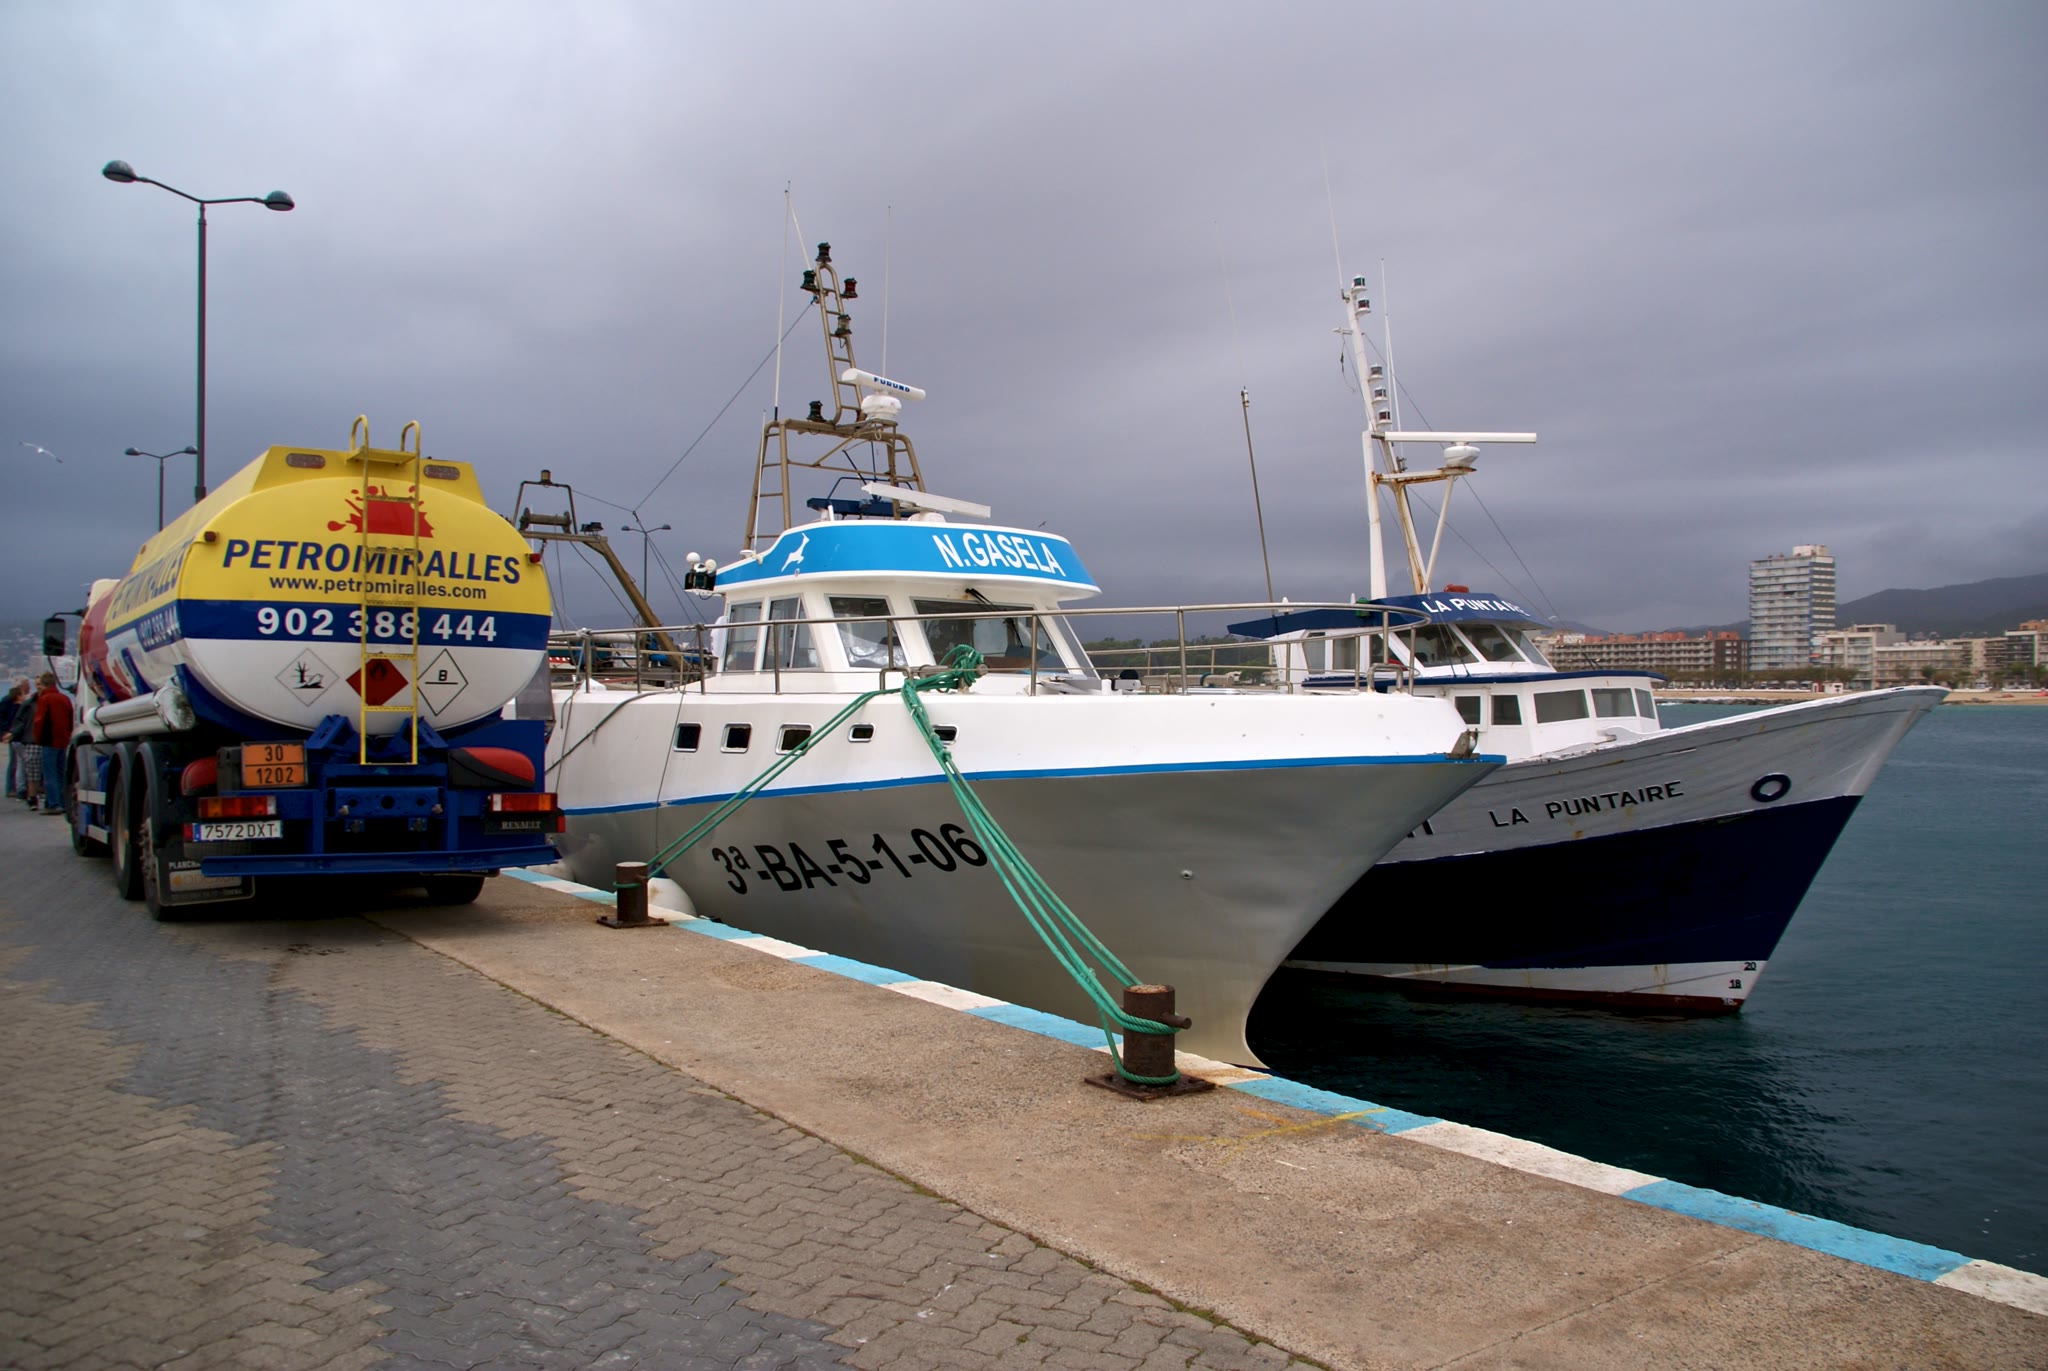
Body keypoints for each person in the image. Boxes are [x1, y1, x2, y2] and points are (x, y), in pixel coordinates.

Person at [30, 671, 74, 815]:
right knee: (61, 773)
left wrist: (37, 738)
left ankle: (53, 803)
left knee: (49, 774)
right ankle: (63, 802)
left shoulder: (45, 699)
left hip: (49, 741)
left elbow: (39, 721)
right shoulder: (65, 699)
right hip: (63, 740)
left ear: (43, 684)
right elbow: (70, 719)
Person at [0, 679, 27, 798]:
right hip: (13, 734)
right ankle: (12, 787)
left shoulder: (19, 702)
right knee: (16, 762)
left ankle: (16, 787)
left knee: (17, 762)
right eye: (26, 687)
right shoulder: (9, 702)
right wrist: (5, 732)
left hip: (14, 734)